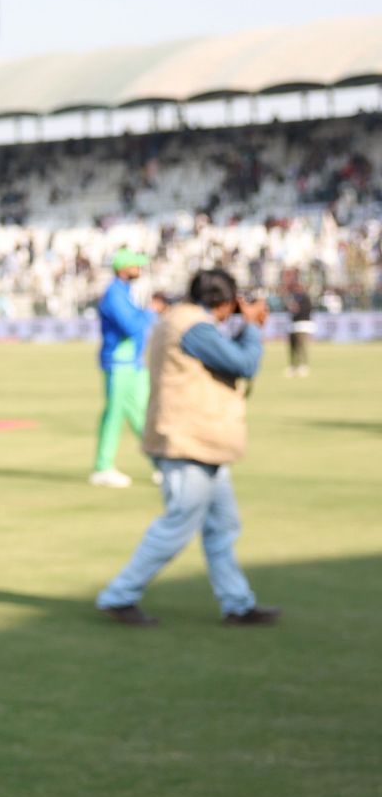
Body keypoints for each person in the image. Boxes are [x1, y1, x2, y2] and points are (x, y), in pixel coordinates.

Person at [96, 269, 281, 628]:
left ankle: (238, 604)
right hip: (187, 441)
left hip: (201, 439)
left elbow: (225, 353)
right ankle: (119, 595)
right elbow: (244, 363)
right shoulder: (193, 326)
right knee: (179, 523)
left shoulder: (184, 320)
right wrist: (253, 327)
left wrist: (243, 326)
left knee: (221, 526)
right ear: (224, 301)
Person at [90, 249, 155, 488]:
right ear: (123, 268)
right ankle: (103, 467)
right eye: (135, 265)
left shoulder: (126, 293)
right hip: (119, 362)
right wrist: (150, 314)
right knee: (116, 414)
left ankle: (159, 462)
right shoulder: (115, 294)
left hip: (134, 361)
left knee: (142, 412)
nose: (139, 269)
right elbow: (130, 325)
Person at [285, 276, 314, 376]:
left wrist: (297, 309)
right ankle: (293, 365)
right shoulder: (292, 297)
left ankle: (303, 365)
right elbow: (288, 308)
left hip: (302, 324)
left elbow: (307, 310)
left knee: (301, 345)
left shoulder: (305, 298)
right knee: (292, 346)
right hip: (293, 324)